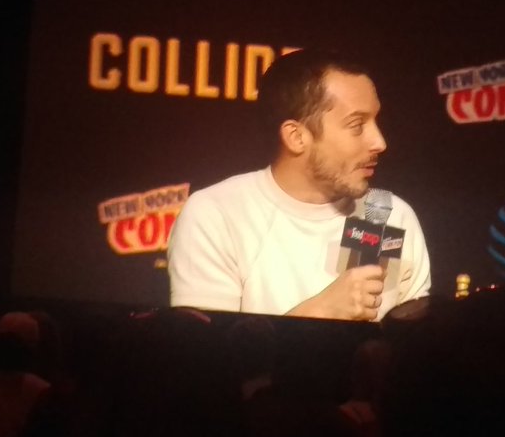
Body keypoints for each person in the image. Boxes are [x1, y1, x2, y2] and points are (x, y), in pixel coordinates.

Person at [168, 49, 431, 321]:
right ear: (296, 137)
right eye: (357, 125)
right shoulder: (216, 215)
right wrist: (321, 312)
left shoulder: (391, 215)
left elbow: (413, 343)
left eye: (376, 121)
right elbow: (209, 346)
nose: (379, 142)